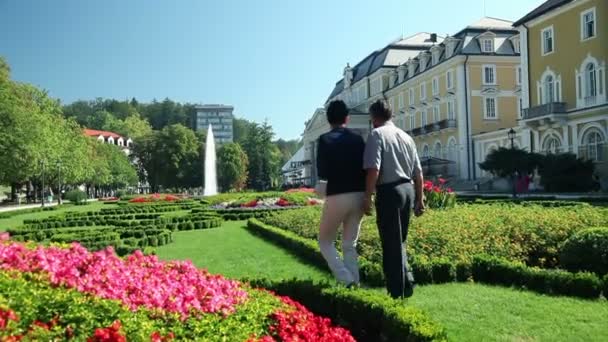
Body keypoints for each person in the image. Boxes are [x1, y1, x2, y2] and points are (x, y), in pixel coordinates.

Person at [363, 99, 425, 299]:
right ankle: (407, 283)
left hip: (390, 192)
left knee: (390, 242)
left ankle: (396, 291)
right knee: (401, 240)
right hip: (408, 189)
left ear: (374, 118)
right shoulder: (406, 137)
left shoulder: (376, 135)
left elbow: (374, 168)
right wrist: (420, 199)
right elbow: (418, 172)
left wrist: (368, 196)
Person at [316, 100, 366, 287]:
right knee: (349, 243)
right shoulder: (357, 139)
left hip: (337, 194)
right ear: (347, 118)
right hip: (359, 194)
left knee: (325, 241)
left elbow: (323, 172)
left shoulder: (324, 140)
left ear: (329, 120)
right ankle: (355, 282)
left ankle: (346, 279)